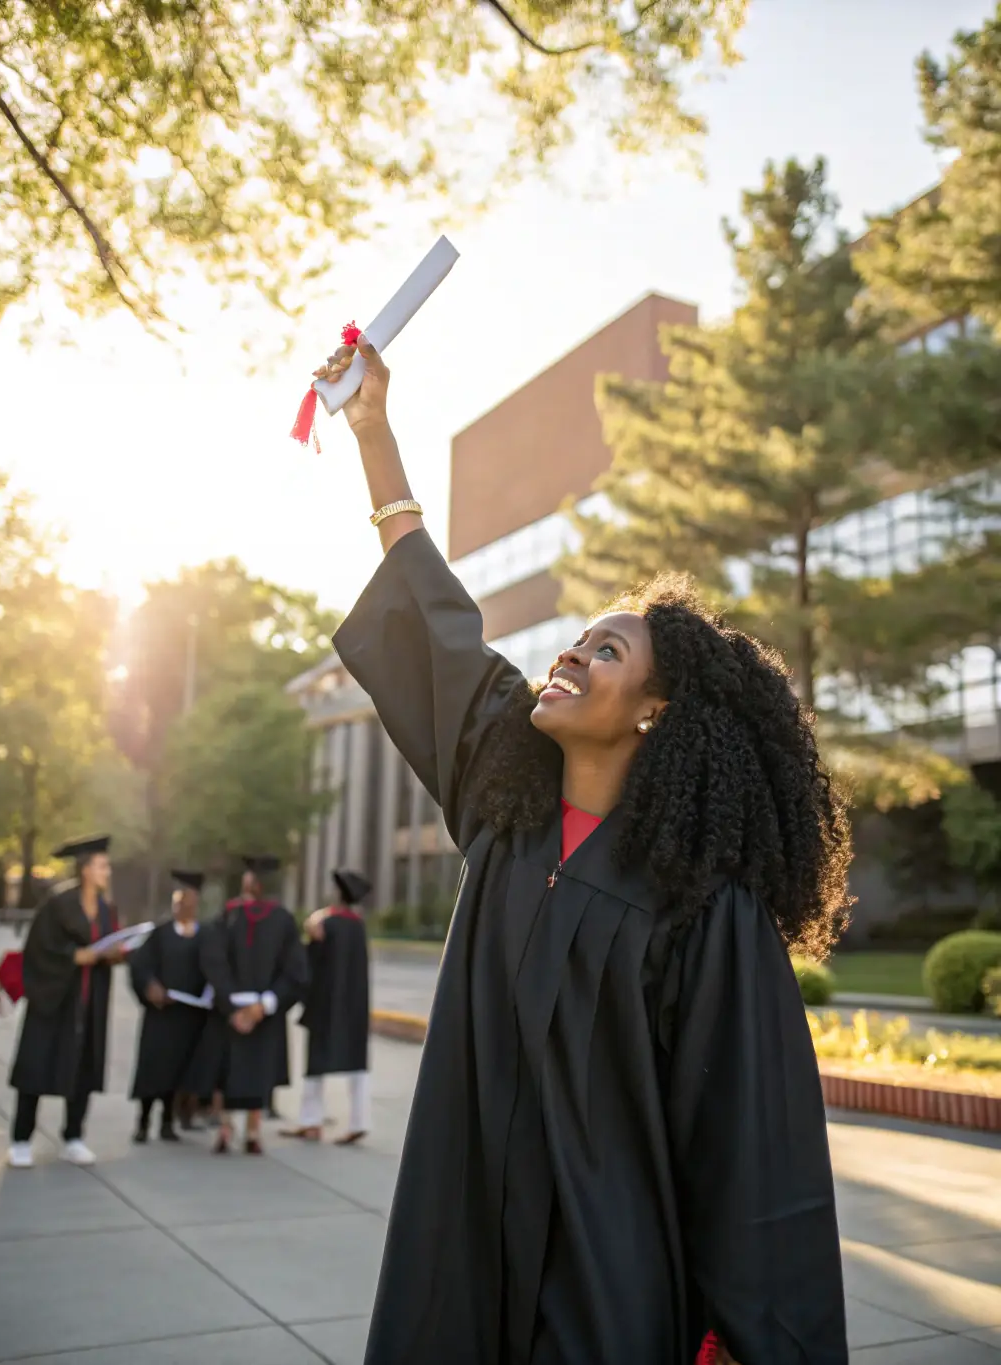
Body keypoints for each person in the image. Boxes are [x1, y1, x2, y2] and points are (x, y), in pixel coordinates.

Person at [316, 338, 851, 1365]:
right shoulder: (502, 801)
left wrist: (733, 1339)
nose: (569, 653)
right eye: (576, 639)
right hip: (462, 1263)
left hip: (609, 1290)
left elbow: (750, 1146)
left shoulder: (705, 907)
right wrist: (374, 431)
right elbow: (437, 629)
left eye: (606, 650)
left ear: (656, 711)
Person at [6, 835, 125, 1169]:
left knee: (83, 1069)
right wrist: (76, 956)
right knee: (37, 1066)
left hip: (89, 1001)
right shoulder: (58, 904)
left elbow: (107, 944)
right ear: (85, 869)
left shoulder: (105, 908)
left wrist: (113, 955)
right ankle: (20, 1139)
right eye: (102, 866)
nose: (107, 872)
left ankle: (73, 1137)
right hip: (54, 999)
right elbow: (38, 951)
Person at [198, 856, 307, 1155]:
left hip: (233, 1010)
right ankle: (250, 1132)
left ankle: (227, 1128)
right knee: (251, 1071)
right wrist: (264, 1005)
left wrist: (232, 1004)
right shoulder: (282, 920)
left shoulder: (227, 916)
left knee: (231, 1071)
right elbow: (295, 972)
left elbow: (213, 963)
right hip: (261, 1010)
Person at [282, 869, 372, 1145]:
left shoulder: (325, 923)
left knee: (316, 1062)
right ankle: (360, 1121)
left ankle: (311, 1122)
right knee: (356, 1064)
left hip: (325, 1003)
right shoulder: (358, 926)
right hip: (354, 1005)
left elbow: (309, 962)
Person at [128, 870, 209, 1143]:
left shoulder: (205, 936)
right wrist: (150, 986)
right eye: (178, 902)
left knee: (179, 1070)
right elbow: (140, 966)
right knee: (153, 1068)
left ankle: (167, 1122)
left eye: (187, 902)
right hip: (160, 1015)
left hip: (189, 1016)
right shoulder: (160, 934)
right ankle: (143, 1122)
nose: (181, 907)